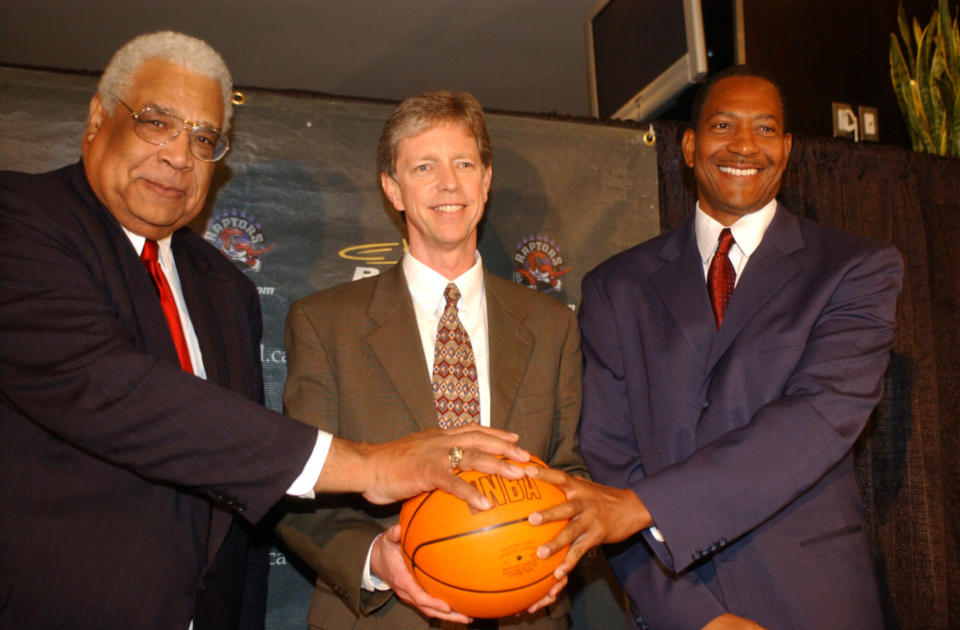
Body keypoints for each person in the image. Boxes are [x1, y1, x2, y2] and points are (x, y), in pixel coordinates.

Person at [0, 32, 530, 630]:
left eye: (204, 138)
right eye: (156, 123)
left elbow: (245, 490)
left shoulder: (224, 289)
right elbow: (113, 389)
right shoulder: (19, 219)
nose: (180, 155)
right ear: (97, 118)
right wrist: (374, 467)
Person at [527, 66, 903, 629]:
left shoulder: (855, 269)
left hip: (814, 598)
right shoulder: (616, 286)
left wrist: (644, 506)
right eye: (723, 124)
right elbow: (608, 466)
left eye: (766, 129)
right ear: (688, 145)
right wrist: (694, 617)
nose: (745, 145)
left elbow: (816, 420)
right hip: (676, 602)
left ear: (787, 148)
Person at [275, 90, 590, 629]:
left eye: (463, 163)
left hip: (525, 612)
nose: (449, 183)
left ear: (485, 181)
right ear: (393, 189)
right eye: (424, 166)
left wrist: (563, 550)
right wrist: (376, 559)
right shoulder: (324, 323)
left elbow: (568, 472)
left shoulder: (552, 324)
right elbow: (299, 489)